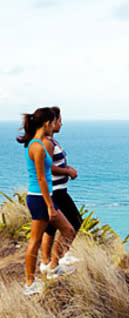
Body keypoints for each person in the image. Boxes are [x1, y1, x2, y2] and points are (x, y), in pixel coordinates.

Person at [17, 107, 75, 295]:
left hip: (41, 198)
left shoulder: (37, 144)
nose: (55, 126)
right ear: (47, 123)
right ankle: (29, 284)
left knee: (68, 230)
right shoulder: (37, 146)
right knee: (34, 241)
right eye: (53, 122)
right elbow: (41, 178)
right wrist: (50, 205)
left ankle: (52, 267)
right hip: (39, 199)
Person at [40, 106, 82, 272]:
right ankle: (59, 259)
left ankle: (46, 262)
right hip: (57, 191)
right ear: (52, 122)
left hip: (57, 189)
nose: (61, 124)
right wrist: (67, 172)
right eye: (60, 121)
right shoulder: (47, 143)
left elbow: (55, 163)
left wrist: (67, 167)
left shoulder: (52, 141)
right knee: (75, 222)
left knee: (50, 228)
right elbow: (47, 167)